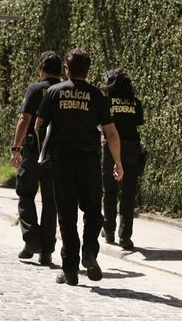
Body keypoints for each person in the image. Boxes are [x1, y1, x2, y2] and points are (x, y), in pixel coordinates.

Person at [35, 48, 124, 286]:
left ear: (67, 68)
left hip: (62, 161)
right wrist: (118, 163)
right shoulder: (97, 95)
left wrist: (46, 150)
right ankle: (90, 253)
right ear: (88, 69)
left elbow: (39, 124)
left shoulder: (53, 92)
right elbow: (112, 133)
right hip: (89, 161)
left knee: (66, 216)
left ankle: (71, 269)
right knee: (93, 211)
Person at [10, 51, 62, 266]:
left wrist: (16, 147)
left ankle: (32, 241)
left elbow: (25, 119)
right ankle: (47, 250)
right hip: (56, 154)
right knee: (51, 202)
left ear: (41, 68)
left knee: (25, 193)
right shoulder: (64, 91)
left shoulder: (35, 89)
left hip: (33, 150)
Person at [100, 69, 144, 250]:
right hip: (132, 148)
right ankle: (125, 237)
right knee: (128, 194)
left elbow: (102, 124)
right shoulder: (135, 103)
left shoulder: (106, 102)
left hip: (111, 147)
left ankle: (109, 230)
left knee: (109, 190)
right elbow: (139, 122)